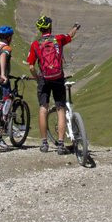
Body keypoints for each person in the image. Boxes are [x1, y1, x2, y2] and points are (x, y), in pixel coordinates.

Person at [27, 15, 80, 154]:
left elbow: (31, 67)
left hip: (44, 78)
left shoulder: (35, 44)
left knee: (43, 108)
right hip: (58, 77)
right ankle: (61, 145)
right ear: (50, 27)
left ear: (40, 30)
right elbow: (70, 35)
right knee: (60, 108)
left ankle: (44, 144)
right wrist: (75, 27)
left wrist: (37, 78)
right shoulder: (58, 39)